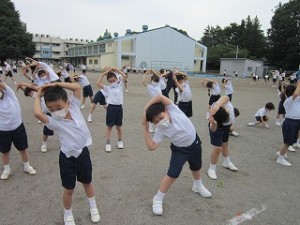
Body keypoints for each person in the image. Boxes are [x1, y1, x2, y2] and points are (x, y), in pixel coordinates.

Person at [34, 82, 100, 224]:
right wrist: (38, 95)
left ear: (67, 103)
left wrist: (56, 83)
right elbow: (37, 113)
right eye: (51, 109)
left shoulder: (75, 107)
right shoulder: (54, 121)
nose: (55, 111)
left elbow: (77, 87)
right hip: (67, 158)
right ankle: (68, 214)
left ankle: (93, 207)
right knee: (69, 188)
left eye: (58, 107)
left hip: (83, 153)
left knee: (87, 182)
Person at [142, 95, 211, 216]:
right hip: (179, 150)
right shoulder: (160, 130)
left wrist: (145, 109)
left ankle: (198, 185)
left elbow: (160, 97)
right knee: (172, 174)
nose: (160, 121)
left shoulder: (174, 110)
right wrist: (146, 130)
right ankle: (158, 199)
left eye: (160, 117)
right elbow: (151, 146)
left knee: (196, 167)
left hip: (194, 143)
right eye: (156, 121)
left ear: (166, 111)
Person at [0, 81, 36, 180]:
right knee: (5, 151)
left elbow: (2, 86)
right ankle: (6, 169)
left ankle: (27, 166)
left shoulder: (9, 93)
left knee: (22, 148)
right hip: (2, 130)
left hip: (17, 127)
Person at [207, 96, 239, 180]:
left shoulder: (222, 104)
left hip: (226, 126)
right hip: (219, 127)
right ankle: (212, 169)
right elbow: (213, 129)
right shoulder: (216, 119)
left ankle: (227, 162)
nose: (229, 111)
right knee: (217, 148)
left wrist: (216, 106)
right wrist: (213, 123)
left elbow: (225, 97)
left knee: (225, 144)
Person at [96, 67, 127, 152]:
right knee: (109, 126)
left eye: (113, 80)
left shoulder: (120, 85)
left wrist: (115, 69)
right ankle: (108, 143)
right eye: (110, 81)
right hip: (111, 108)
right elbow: (98, 83)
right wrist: (103, 74)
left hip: (119, 108)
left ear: (117, 79)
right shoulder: (108, 88)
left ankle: (120, 141)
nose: (112, 82)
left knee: (118, 127)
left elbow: (124, 76)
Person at [16, 82, 53, 153]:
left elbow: (31, 86)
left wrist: (21, 84)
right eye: (29, 94)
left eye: (30, 93)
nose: (30, 95)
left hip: (55, 112)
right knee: (46, 131)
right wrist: (21, 87)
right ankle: (44, 144)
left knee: (63, 128)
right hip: (47, 114)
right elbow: (27, 90)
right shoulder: (36, 95)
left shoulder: (43, 91)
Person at [276, 81, 300, 166]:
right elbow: (296, 94)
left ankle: (281, 153)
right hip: (290, 122)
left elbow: (297, 93)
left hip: (296, 122)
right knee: (287, 142)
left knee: (291, 141)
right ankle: (280, 158)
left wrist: (297, 84)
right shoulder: (289, 100)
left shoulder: (297, 99)